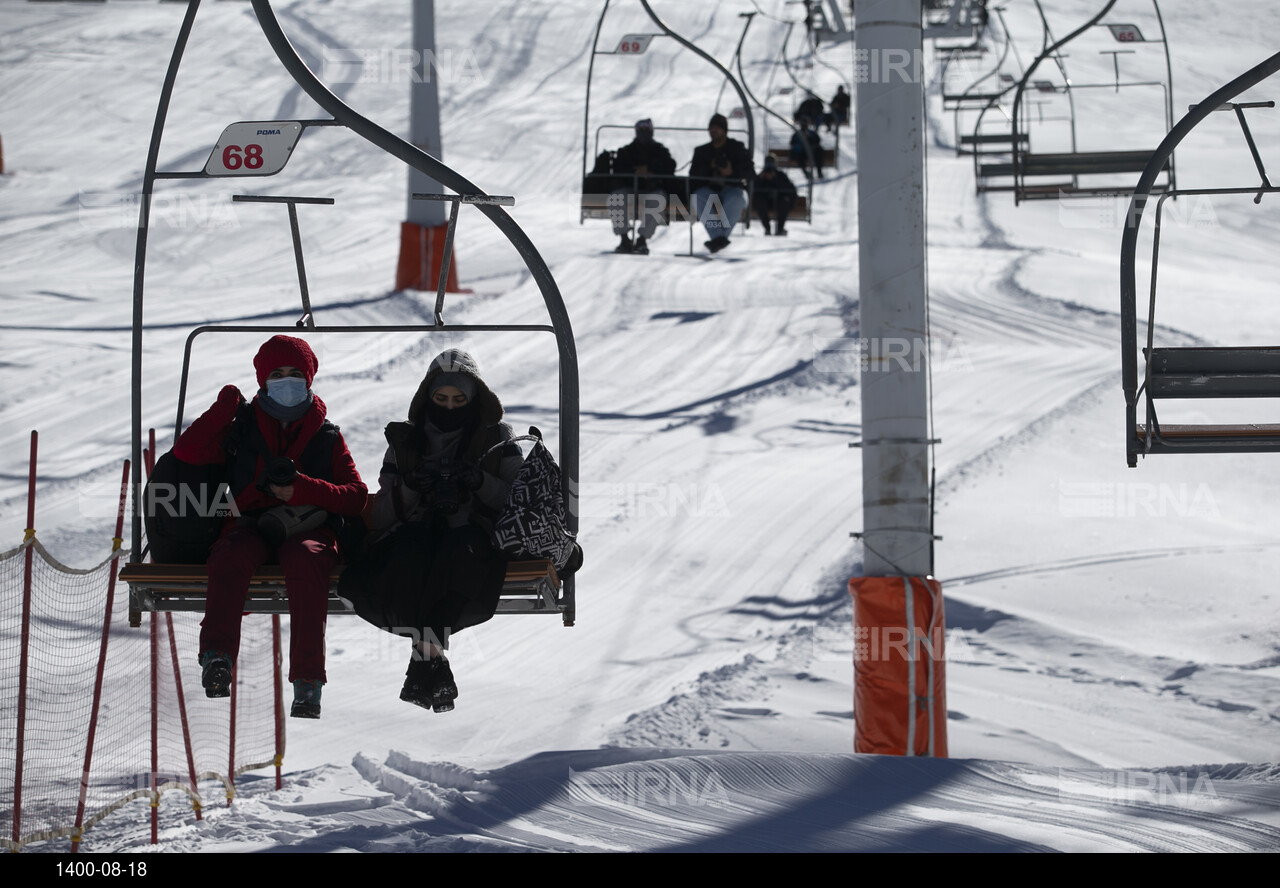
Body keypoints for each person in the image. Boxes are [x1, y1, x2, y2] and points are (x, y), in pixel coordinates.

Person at [177, 335, 368, 720]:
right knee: (230, 554)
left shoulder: (326, 435)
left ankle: (308, 680)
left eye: (295, 374)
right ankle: (217, 658)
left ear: (309, 378)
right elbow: (188, 451)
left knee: (307, 559)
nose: (286, 381)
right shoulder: (241, 426)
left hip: (308, 527)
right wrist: (225, 406)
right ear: (263, 379)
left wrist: (302, 488)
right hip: (250, 524)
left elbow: (356, 496)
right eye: (277, 374)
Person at [338, 349, 524, 714]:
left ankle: (424, 659)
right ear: (428, 397)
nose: (450, 407)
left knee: (461, 550)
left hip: (473, 536)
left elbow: (518, 501)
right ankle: (431, 658)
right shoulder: (406, 442)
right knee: (411, 551)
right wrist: (411, 486)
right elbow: (383, 515)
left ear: (475, 398)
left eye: (459, 400)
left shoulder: (498, 439)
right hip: (416, 535)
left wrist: (478, 481)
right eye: (441, 399)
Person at [610, 118, 677, 255]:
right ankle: (624, 239)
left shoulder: (660, 151)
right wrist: (635, 172)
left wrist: (650, 171)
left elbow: (670, 166)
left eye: (646, 130)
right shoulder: (627, 151)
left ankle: (642, 240)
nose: (643, 133)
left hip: (653, 188)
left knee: (656, 200)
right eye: (641, 130)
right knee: (616, 197)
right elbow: (618, 169)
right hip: (631, 188)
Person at [689, 113, 754, 253]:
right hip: (710, 189)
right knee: (699, 197)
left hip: (732, 188)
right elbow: (693, 175)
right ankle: (720, 238)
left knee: (736, 199)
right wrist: (709, 167)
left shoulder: (737, 148)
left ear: (724, 130)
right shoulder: (702, 151)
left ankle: (717, 238)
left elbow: (750, 173)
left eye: (717, 128)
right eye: (711, 128)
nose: (714, 131)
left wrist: (731, 172)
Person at [754, 156, 797, 236]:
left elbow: (789, 189)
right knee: (759, 202)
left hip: (779, 201)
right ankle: (767, 228)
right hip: (766, 201)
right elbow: (753, 189)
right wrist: (760, 179)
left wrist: (775, 179)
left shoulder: (780, 175)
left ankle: (780, 229)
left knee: (784, 202)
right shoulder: (761, 176)